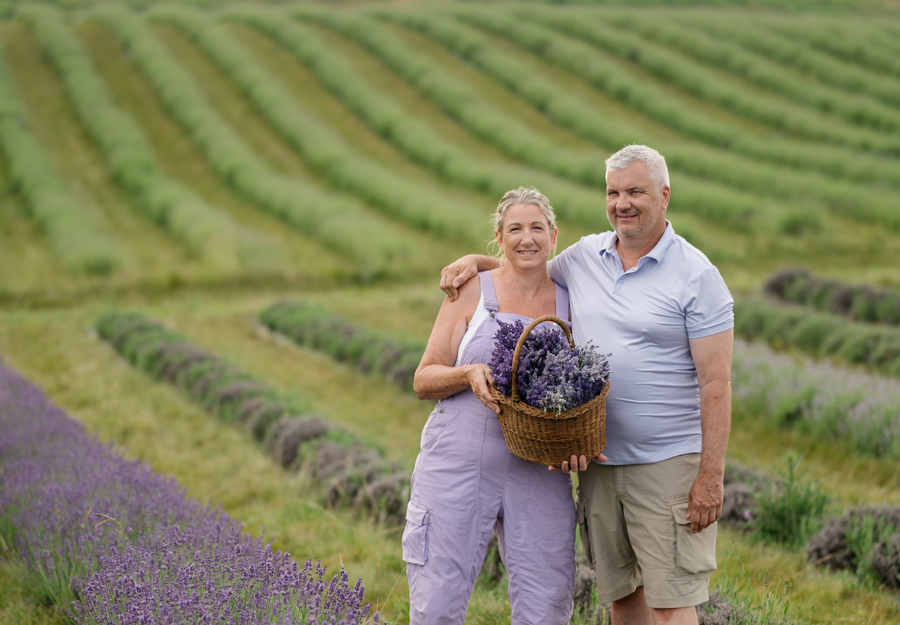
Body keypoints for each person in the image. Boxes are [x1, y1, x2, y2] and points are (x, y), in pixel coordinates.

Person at [440, 145, 734, 625]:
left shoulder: (697, 276)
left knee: (671, 604)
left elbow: (717, 385)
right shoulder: (586, 256)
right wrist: (474, 260)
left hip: (666, 465)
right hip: (598, 462)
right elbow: (524, 265)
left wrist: (710, 478)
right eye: (613, 192)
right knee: (623, 600)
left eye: (635, 191)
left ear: (664, 195)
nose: (623, 203)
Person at [406, 188, 591, 624]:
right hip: (457, 463)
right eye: (515, 229)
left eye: (536, 228)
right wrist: (466, 375)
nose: (526, 239)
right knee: (438, 600)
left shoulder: (572, 299)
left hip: (538, 470)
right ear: (499, 237)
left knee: (546, 603)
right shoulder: (470, 290)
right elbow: (423, 378)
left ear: (554, 235)